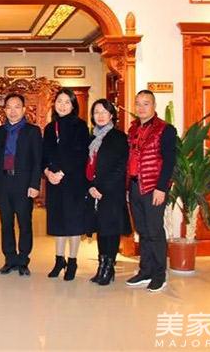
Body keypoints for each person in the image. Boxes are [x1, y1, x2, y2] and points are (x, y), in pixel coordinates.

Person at [126, 90, 177, 292]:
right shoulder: (133, 129)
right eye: (138, 103)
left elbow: (169, 161)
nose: (141, 107)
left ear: (154, 106)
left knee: (155, 231)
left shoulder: (166, 130)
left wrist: (161, 188)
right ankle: (145, 271)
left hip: (153, 188)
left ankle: (159, 274)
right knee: (142, 231)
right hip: (134, 186)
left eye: (145, 103)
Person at [0, 93, 42, 276]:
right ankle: (10, 259)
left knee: (25, 223)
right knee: (6, 223)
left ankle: (23, 260)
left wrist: (35, 184)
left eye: (17, 107)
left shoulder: (32, 131)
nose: (13, 111)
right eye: (9, 107)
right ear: (4, 110)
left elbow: (37, 160)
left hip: (24, 184)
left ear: (24, 109)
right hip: (3, 182)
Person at [42, 88, 90, 281]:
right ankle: (59, 259)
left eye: (67, 102)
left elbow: (80, 155)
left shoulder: (80, 126)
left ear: (73, 105)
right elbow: (44, 155)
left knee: (73, 222)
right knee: (57, 221)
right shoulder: (49, 128)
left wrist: (61, 173)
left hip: (73, 182)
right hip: (54, 181)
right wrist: (47, 172)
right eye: (59, 101)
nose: (62, 105)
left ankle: (72, 261)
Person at [85, 99, 131, 286]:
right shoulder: (92, 138)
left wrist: (101, 188)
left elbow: (121, 167)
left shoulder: (119, 137)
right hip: (94, 191)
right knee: (101, 231)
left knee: (111, 231)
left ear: (112, 115)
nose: (100, 116)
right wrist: (90, 186)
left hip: (111, 193)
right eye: (96, 112)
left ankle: (108, 268)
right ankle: (102, 267)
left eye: (104, 112)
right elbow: (87, 165)